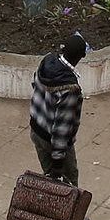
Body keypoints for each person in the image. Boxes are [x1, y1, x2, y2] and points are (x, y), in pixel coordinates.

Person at [29, 33, 86, 190]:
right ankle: (68, 214)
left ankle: (49, 211)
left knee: (49, 181)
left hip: (36, 130)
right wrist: (58, 161)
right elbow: (62, 129)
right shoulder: (69, 89)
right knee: (69, 185)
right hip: (52, 141)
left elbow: (35, 87)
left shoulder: (47, 62)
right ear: (81, 57)